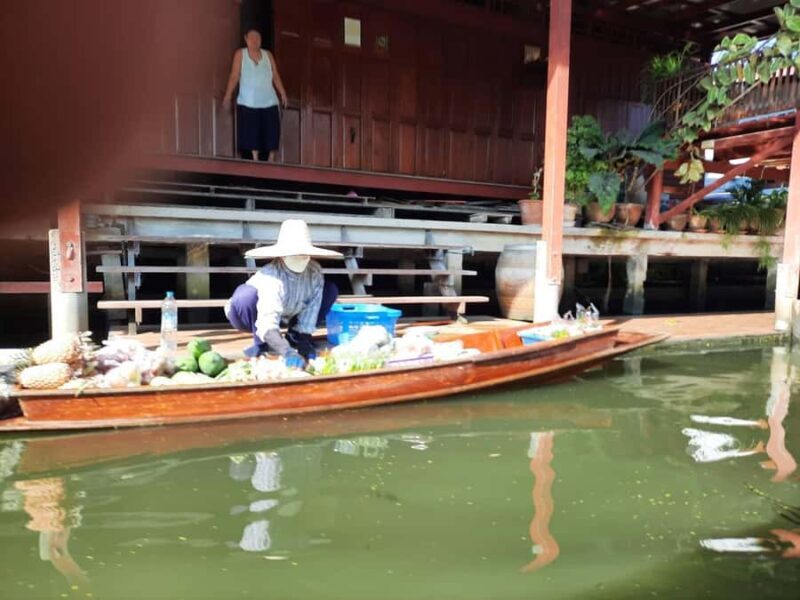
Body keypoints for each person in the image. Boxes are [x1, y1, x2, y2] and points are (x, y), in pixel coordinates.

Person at [225, 220, 341, 367]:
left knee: (330, 289)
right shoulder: (272, 276)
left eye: (304, 254)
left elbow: (312, 307)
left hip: (287, 313)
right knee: (246, 296)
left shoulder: (314, 271)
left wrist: (303, 338)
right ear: (282, 256)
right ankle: (260, 344)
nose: (301, 257)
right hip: (248, 315)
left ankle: (295, 336)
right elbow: (267, 322)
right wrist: (286, 351)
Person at [222, 28, 288, 161]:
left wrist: (283, 93)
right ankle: (255, 158)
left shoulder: (268, 55)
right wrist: (228, 95)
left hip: (269, 100)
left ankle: (271, 159)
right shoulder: (241, 54)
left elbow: (275, 75)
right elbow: (234, 76)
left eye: (257, 38)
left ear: (261, 40)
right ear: (246, 39)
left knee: (272, 129)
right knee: (252, 130)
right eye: (251, 38)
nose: (254, 41)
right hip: (248, 101)